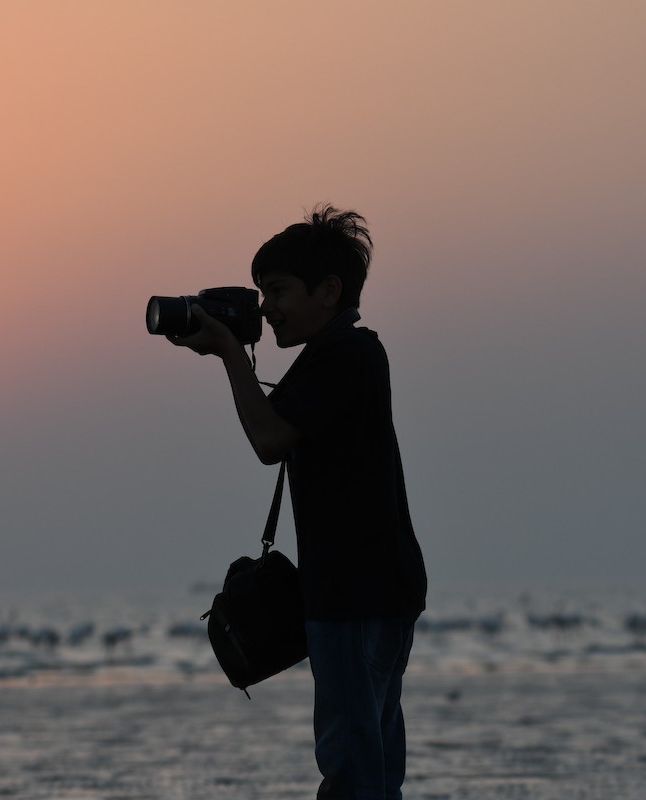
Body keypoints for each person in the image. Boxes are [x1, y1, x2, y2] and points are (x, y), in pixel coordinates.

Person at [168, 205, 427, 799]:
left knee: (352, 766)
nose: (265, 308)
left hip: (354, 594)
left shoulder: (348, 355)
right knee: (372, 762)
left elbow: (269, 440)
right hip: (373, 588)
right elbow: (280, 429)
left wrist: (231, 354)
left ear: (328, 291)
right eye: (261, 293)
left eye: (278, 291)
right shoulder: (338, 358)